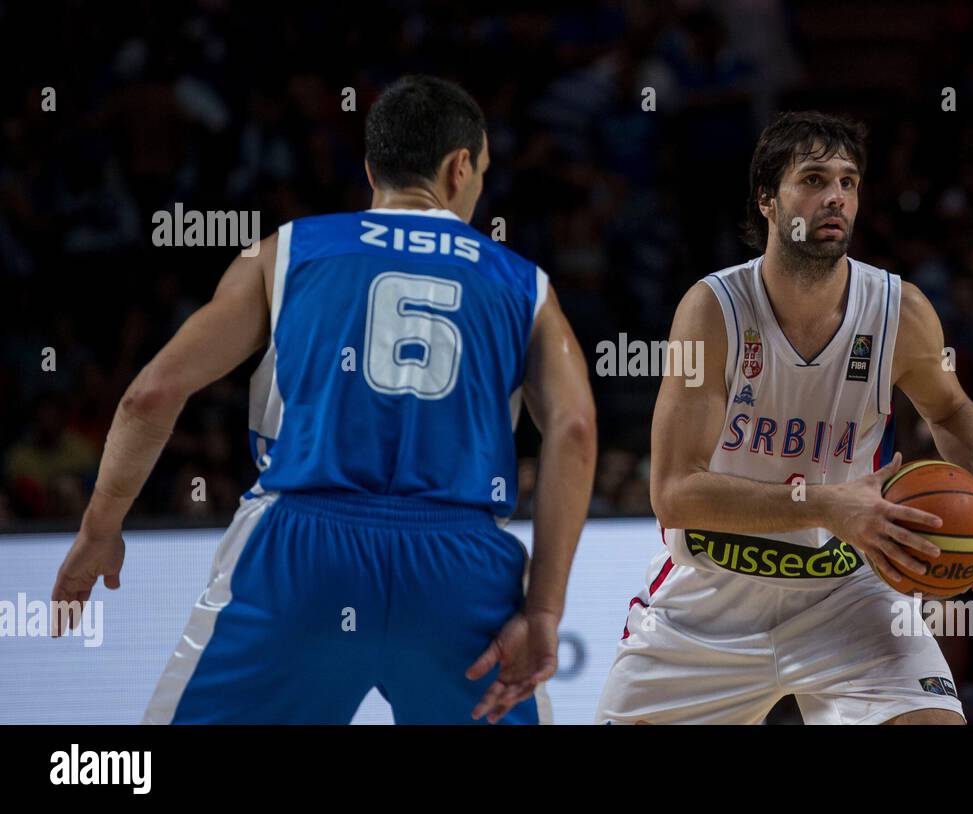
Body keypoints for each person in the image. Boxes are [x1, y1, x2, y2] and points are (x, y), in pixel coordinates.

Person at [51, 75, 597, 724]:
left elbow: (151, 394)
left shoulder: (286, 252)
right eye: (481, 171)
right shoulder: (523, 284)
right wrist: (543, 611)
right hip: (459, 567)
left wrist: (99, 529)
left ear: (372, 170)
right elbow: (575, 431)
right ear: (460, 168)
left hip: (301, 552)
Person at [596, 111, 973, 725]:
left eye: (848, 181)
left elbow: (950, 407)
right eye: (813, 179)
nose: (835, 196)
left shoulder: (900, 312)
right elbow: (674, 494)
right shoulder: (712, 313)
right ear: (767, 199)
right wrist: (823, 505)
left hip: (845, 594)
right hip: (710, 598)